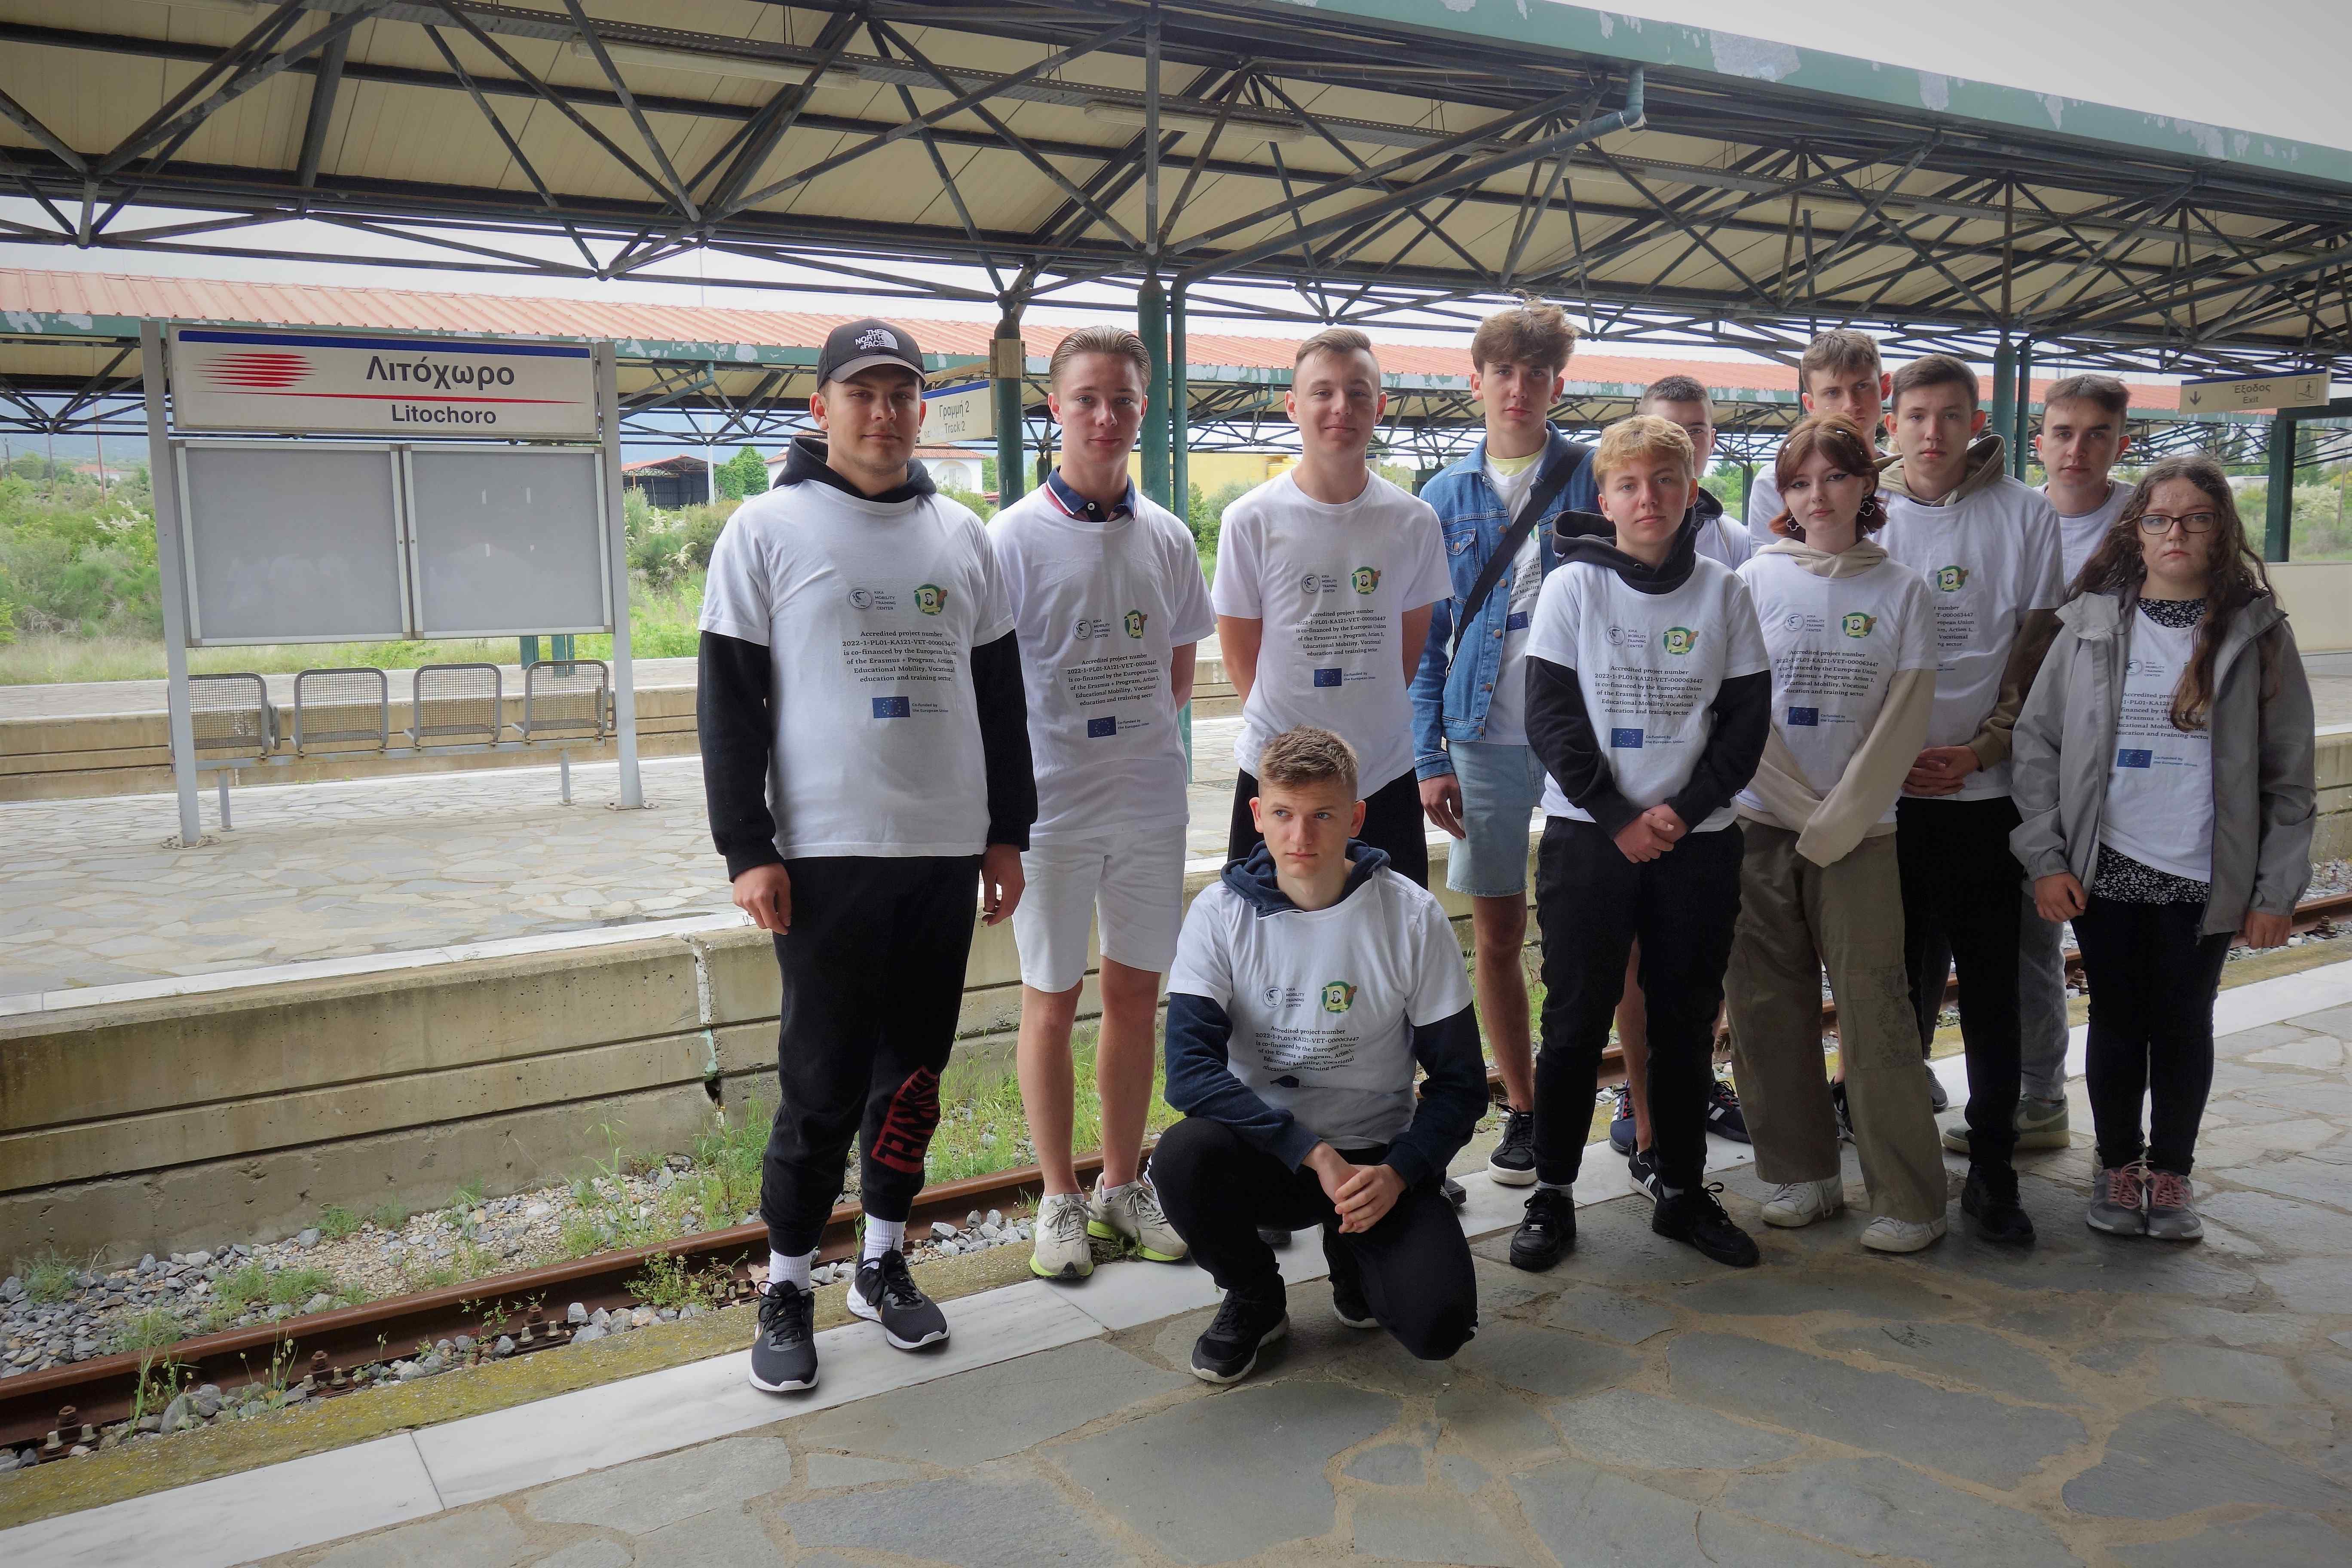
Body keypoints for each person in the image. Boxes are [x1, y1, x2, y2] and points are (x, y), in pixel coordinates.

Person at [698, 318, 1035, 1394]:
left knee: (914, 1076)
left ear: (921, 410)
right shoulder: (765, 527)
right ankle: (789, 1281)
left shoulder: (963, 536)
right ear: (821, 408)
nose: (883, 413)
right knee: (821, 1080)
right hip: (825, 851)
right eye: (862, 393)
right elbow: (728, 704)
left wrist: (1007, 831)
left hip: (942, 848)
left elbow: (1000, 699)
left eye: (901, 394)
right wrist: (746, 846)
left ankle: (882, 1261)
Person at [2011, 456, 2314, 1240]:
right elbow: (2036, 745)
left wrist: (2274, 893)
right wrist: (2047, 858)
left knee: (2184, 1022)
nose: (2175, 531)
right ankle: (2117, 1166)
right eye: (2158, 518)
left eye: (2195, 518)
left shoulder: (2257, 634)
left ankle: (2171, 1173)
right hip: (2104, 865)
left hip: (2205, 872)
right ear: (2135, 533)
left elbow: (2288, 779)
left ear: (2221, 532)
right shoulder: (2090, 626)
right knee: (2116, 1018)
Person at [1510, 414, 1772, 1273]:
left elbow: (1744, 724)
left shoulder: (1726, 593)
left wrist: (1685, 811)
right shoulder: (1572, 590)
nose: (1648, 497)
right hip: (1590, 838)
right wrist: (1618, 814)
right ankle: (1553, 1191)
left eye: (1665, 481)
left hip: (1699, 842)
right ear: (1605, 498)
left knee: (1684, 1024)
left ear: (1691, 493)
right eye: (1628, 484)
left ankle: (1683, 1187)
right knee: (1574, 1021)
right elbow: (1550, 717)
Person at [1154, 726, 1485, 1384]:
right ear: (1257, 815)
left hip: (1374, 1162)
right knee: (1183, 1156)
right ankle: (1255, 1294)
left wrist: (1400, 1173)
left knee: (1439, 1328)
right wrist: (1312, 1153)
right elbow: (1189, 1073)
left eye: (1322, 816)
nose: (1300, 837)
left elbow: (1461, 1084)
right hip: (1269, 1154)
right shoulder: (1219, 915)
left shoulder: (1411, 917)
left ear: (1355, 818)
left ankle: (1351, 1253)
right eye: (1283, 814)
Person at [989, 326, 1214, 1282]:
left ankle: (1123, 1183)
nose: (1106, 415)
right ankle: (1058, 1196)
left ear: (1143, 408)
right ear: (1054, 406)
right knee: (1051, 998)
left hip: (1150, 804)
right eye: (1086, 397)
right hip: (1052, 811)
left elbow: (1176, 675)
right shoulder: (1009, 539)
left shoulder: (1168, 536)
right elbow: (992, 686)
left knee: (1134, 995)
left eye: (1123, 398)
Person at [1726, 415, 1949, 1253]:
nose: (1817, 496)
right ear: (1783, 494)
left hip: (1864, 835)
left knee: (1876, 1011)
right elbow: (1739, 711)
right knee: (1764, 1006)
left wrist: (1840, 818)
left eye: (1835, 477)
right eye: (1799, 481)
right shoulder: (1750, 581)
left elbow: (1904, 719)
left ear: (1866, 484)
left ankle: (1910, 1197)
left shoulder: (1903, 591)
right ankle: (1802, 1175)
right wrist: (1799, 809)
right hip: (1761, 826)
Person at [1876, 353, 2064, 1246]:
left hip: (1987, 796)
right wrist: (1891, 759)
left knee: (1991, 990)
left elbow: (2037, 657)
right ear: (1891, 423)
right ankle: (1901, 1169)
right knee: (1891, 991)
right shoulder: (1866, 513)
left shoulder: (2026, 515)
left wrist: (1982, 748)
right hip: (1888, 802)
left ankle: (1993, 1168)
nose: (1933, 432)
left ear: (1976, 421)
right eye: (1916, 415)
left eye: (1951, 415)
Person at [1412, 298, 1598, 1189]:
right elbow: (1427, 642)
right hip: (1479, 735)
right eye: (1503, 373)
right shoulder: (1442, 496)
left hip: (1580, 736)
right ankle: (1522, 1106)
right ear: (1475, 382)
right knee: (1496, 930)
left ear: (1557, 385)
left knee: (1591, 931)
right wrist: (1429, 756)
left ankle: (1606, 1099)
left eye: (1536, 374)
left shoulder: (1595, 477)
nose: (1518, 389)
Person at [1942, 373, 2139, 1161]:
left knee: (2111, 954)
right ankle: (2038, 1094)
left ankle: (2103, 1123)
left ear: (2122, 442)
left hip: (2111, 769)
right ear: (2038, 438)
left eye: (2097, 434)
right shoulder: (2016, 515)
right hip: (2018, 759)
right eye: (2062, 432)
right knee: (2027, 935)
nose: (2077, 449)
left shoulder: (2144, 521)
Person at [1216, 326, 1453, 889]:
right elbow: (1241, 657)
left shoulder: (1413, 520)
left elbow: (1407, 655)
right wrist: (1296, 757)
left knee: (1390, 931)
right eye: (1323, 392)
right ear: (1292, 405)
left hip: (1382, 771)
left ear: (1380, 406)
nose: (1341, 406)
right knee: (1270, 928)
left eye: (1358, 392)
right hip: (1279, 780)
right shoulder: (1250, 520)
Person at [1604, 375, 1755, 1188]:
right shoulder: (1595, 565)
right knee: (1632, 962)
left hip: (1703, 798)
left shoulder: (1734, 547)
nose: (1681, 444)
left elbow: (1745, 687)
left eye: (1694, 432)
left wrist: (1694, 802)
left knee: (1697, 966)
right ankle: (1643, 1102)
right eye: (1665, 431)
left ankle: (1695, 1092)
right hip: (1626, 799)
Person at [1744, 330, 1891, 549]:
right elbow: (1771, 562)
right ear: (1810, 404)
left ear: (1885, 388)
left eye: (1862, 386)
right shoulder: (1774, 481)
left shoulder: (1905, 476)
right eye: (1833, 393)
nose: (1850, 404)